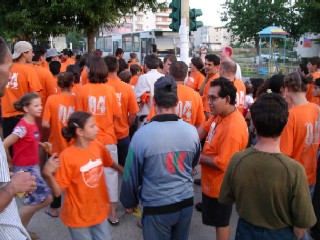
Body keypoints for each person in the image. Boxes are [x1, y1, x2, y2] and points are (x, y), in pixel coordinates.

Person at [219, 93, 317, 240]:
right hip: (281, 233)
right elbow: (302, 224)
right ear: (284, 125)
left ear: (254, 126)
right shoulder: (294, 170)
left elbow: (226, 198)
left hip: (245, 231)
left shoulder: (238, 160)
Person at [120, 76, 201, 240]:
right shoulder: (192, 132)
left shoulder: (141, 136)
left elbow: (129, 176)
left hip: (157, 206)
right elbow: (193, 162)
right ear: (177, 102)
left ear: (154, 102)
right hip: (185, 203)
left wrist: (129, 202)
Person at [43, 111, 123, 240]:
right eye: (92, 126)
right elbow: (57, 192)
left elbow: (109, 162)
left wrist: (122, 170)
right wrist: (48, 175)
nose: (97, 128)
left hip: (99, 210)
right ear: (80, 132)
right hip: (78, 216)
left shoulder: (97, 146)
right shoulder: (67, 156)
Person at [198, 77, 248, 240]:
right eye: (208, 97)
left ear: (227, 99)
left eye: (213, 98)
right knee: (216, 221)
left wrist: (198, 158)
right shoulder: (219, 114)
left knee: (221, 223)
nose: (209, 102)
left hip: (220, 187)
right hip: (211, 182)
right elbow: (202, 130)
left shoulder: (233, 128)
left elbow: (223, 163)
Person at [75, 56, 122, 225]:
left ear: (90, 70)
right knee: (110, 176)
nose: (85, 70)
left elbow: (78, 117)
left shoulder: (81, 91)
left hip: (87, 142)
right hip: (108, 139)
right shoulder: (110, 90)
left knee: (88, 176)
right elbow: (117, 114)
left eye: (87, 67)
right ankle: (113, 214)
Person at [0, 36, 37, 240]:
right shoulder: (29, 71)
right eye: (7, 65)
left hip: (7, 117)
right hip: (20, 119)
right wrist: (13, 186)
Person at [3, 92, 52, 236]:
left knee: (35, 201)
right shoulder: (22, 126)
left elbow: (30, 141)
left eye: (40, 104)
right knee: (45, 198)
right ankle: (16, 226)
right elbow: (5, 143)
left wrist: (42, 145)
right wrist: (9, 161)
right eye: (36, 105)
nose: (40, 108)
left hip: (33, 167)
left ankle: (22, 230)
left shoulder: (32, 123)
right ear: (25, 108)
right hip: (26, 169)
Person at [42, 72, 77, 218]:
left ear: (59, 85)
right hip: (74, 147)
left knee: (55, 178)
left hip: (55, 145)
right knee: (74, 179)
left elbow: (45, 123)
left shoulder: (52, 99)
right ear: (72, 84)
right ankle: (74, 208)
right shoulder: (77, 99)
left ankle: (54, 209)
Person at [280, 72, 319, 193]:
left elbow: (284, 154)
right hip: (310, 174)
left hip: (293, 178)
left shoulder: (291, 116)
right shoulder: (316, 109)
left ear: (288, 89)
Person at [2, 41, 42, 141]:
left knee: (9, 150)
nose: (33, 54)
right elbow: (34, 96)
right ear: (24, 53)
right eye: (31, 51)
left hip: (5, 117)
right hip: (23, 118)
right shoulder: (29, 70)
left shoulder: (6, 68)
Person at [147, 61, 205, 128]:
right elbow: (200, 124)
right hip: (187, 136)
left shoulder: (163, 92)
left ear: (170, 73)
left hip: (164, 135)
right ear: (186, 75)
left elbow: (151, 120)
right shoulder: (196, 96)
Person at [104, 56, 139, 167]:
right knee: (125, 170)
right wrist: (126, 125)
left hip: (104, 136)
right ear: (118, 67)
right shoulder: (127, 88)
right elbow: (133, 113)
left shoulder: (100, 87)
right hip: (122, 134)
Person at [134, 54, 164, 125]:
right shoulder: (163, 77)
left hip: (147, 119)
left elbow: (135, 98)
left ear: (145, 65)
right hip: (162, 118)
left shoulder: (143, 78)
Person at [199, 54, 220, 119]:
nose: (206, 66)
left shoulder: (215, 81)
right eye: (205, 64)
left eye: (209, 65)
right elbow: (201, 93)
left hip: (207, 115)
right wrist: (206, 78)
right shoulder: (209, 77)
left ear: (217, 66)